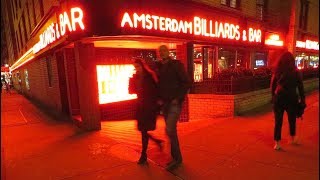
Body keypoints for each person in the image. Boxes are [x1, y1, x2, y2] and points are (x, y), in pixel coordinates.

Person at [157, 45, 191, 170]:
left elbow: (187, 82)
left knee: (170, 130)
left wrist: (178, 98)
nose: (162, 53)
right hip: (165, 104)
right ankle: (176, 158)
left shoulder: (176, 65)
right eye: (160, 51)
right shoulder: (160, 67)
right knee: (171, 132)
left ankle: (176, 159)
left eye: (164, 50)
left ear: (168, 52)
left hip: (174, 103)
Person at [129, 58, 164, 165]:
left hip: (149, 107)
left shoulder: (149, 76)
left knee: (144, 130)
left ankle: (143, 155)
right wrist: (131, 81)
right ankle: (157, 142)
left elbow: (157, 90)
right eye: (135, 67)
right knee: (142, 130)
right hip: (140, 107)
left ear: (142, 66)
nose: (137, 69)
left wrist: (158, 104)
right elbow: (132, 92)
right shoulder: (136, 77)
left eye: (138, 67)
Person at [270, 51, 305, 150]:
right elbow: (301, 88)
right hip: (291, 99)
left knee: (278, 122)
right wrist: (302, 101)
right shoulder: (296, 72)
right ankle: (292, 138)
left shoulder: (277, 71)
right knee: (292, 120)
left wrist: (273, 97)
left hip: (279, 99)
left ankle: (277, 143)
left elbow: (272, 86)